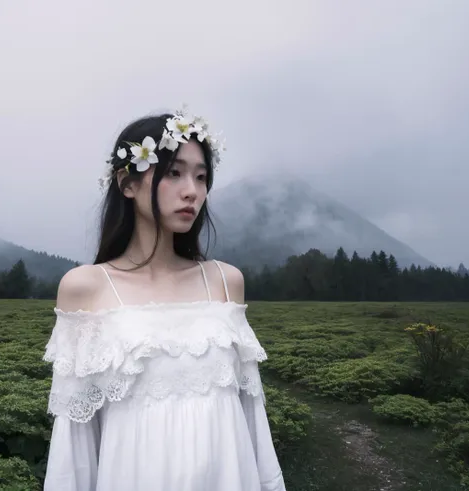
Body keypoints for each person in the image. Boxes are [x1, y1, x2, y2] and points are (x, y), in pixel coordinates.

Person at [42, 107, 286, 491]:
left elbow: (251, 415)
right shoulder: (86, 287)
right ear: (127, 183)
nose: (193, 190)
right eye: (174, 172)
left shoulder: (225, 281)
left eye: (202, 177)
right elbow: (76, 442)